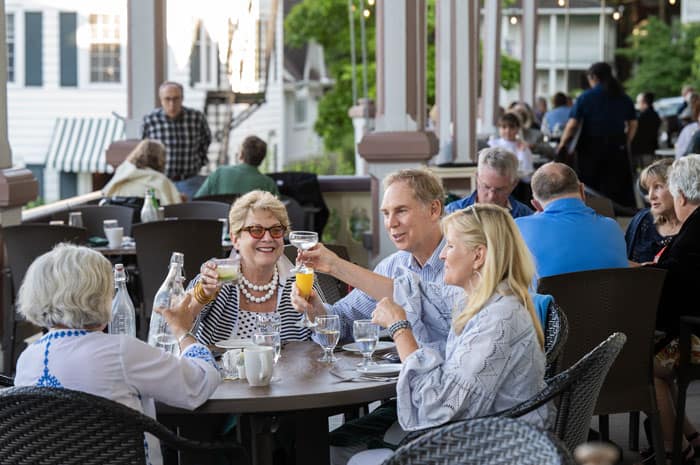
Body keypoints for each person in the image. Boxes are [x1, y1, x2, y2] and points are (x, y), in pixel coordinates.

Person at [346, 204, 552, 465]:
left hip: (495, 451)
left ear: (479, 256)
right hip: (483, 437)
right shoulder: (477, 299)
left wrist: (399, 328)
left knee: (355, 458)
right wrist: (332, 265)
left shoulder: (500, 318)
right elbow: (411, 294)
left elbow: (441, 407)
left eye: (451, 246)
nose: (442, 255)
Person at [291, 168, 459, 465]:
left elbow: (420, 300)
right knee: (317, 448)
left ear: (434, 209)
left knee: (334, 451)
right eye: (385, 213)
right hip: (407, 399)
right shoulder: (395, 265)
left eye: (401, 211)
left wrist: (336, 265)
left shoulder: (461, 260)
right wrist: (316, 309)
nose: (391, 224)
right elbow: (342, 322)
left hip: (450, 409)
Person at [14, 244, 219, 465]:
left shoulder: (28, 358)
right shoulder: (121, 352)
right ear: (97, 295)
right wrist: (182, 331)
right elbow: (198, 385)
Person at [188, 190, 320, 345]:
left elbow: (327, 338)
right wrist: (203, 295)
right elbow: (177, 325)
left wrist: (314, 313)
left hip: (288, 370)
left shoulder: (300, 281)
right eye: (256, 230)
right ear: (235, 239)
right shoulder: (216, 279)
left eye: (276, 230)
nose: (268, 238)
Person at [646, 155, 700, 465]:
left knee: (642, 367)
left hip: (693, 337)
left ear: (679, 195)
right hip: (691, 328)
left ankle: (673, 449)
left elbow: (672, 292)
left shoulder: (692, 235)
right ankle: (687, 436)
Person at [515, 162, 628, 279]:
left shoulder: (517, 228)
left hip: (551, 297)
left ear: (536, 205)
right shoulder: (612, 227)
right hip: (610, 297)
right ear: (582, 191)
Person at [557, 62, 637, 208]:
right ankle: (613, 214)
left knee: (591, 185)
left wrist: (562, 144)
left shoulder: (585, 97)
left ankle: (593, 212)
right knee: (614, 183)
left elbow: (572, 124)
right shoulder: (623, 97)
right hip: (616, 147)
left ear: (593, 77)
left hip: (590, 148)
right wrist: (626, 140)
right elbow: (633, 123)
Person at [141, 81, 212, 200]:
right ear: (161, 99)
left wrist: (199, 162)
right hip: (161, 181)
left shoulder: (196, 118)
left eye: (176, 99)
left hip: (190, 180)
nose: (172, 104)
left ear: (182, 98)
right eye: (167, 99)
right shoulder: (150, 120)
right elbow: (145, 150)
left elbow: (206, 141)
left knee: (192, 215)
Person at [445, 147, 534, 218]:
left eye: (500, 190)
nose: (492, 196)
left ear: (514, 184)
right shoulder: (453, 213)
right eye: (486, 187)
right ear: (477, 178)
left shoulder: (525, 217)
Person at [625, 159, 681, 264]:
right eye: (648, 189)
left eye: (658, 187)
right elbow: (622, 261)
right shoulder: (643, 220)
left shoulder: (692, 229)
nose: (651, 196)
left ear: (677, 188)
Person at [195, 135, 279, 198]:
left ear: (241, 155)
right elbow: (279, 213)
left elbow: (198, 200)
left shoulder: (220, 173)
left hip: (220, 219)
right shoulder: (269, 184)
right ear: (262, 159)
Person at [102, 139, 182, 205]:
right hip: (153, 223)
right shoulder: (161, 181)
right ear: (161, 159)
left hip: (123, 222)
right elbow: (176, 209)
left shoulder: (120, 177)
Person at [487, 112, 534, 177]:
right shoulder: (493, 145)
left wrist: (522, 152)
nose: (507, 130)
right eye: (504, 127)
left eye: (511, 127)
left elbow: (526, 171)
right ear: (499, 128)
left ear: (517, 129)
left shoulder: (522, 146)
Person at [631, 92, 661, 171]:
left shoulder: (640, 117)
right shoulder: (655, 115)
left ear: (644, 103)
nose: (637, 104)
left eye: (638, 102)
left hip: (641, 151)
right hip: (651, 150)